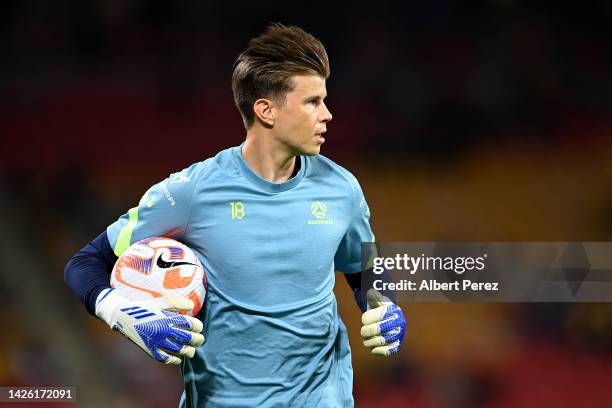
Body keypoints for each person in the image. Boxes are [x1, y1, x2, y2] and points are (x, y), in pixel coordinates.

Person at [64, 23, 406, 407]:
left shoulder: (342, 189)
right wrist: (125, 314)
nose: (327, 114)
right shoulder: (192, 192)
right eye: (312, 102)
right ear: (266, 110)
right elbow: (85, 263)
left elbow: (363, 267)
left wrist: (385, 306)